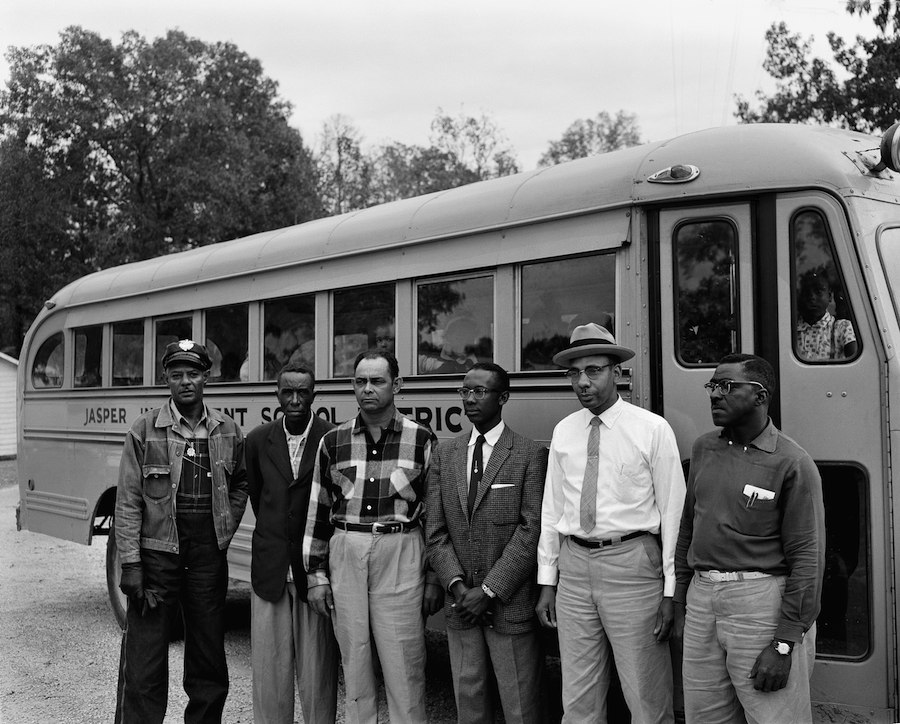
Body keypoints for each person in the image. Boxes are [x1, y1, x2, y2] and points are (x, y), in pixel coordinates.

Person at [535, 322, 685, 724]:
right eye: (574, 373)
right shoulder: (564, 431)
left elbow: (674, 514)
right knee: (579, 696)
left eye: (593, 371)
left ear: (617, 373)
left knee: (646, 694)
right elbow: (553, 510)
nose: (582, 382)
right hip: (575, 569)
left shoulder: (651, 429)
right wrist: (548, 581)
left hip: (632, 566)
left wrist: (671, 591)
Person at [673, 353, 825, 724]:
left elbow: (808, 558)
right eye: (712, 385)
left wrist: (785, 642)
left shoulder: (792, 462)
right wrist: (680, 600)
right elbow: (688, 526)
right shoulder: (703, 448)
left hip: (760, 604)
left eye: (726, 386)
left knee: (773, 716)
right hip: (702, 598)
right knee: (704, 717)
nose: (714, 394)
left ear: (760, 396)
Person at [303, 349, 444, 724]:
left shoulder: (422, 439)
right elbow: (318, 511)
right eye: (360, 381)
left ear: (396, 385)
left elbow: (435, 515)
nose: (368, 389)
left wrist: (434, 577)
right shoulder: (332, 441)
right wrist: (315, 576)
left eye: (377, 381)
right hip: (346, 549)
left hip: (401, 551)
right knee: (355, 658)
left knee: (405, 659)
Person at [114, 340, 248, 724]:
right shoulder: (144, 430)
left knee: (208, 654)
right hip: (157, 554)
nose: (185, 382)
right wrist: (131, 564)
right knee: (145, 659)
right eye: (176, 375)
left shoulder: (227, 429)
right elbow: (127, 501)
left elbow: (240, 483)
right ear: (166, 380)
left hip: (207, 555)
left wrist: (224, 525)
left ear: (206, 377)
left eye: (192, 374)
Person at [426, 362, 548, 724]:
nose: (470, 399)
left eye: (480, 391)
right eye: (465, 391)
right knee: (469, 699)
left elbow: (531, 530)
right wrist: (459, 587)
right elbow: (435, 529)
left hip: (509, 606)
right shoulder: (445, 455)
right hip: (461, 605)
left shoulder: (528, 454)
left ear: (503, 397)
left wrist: (490, 590)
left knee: (521, 705)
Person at [246, 362, 339, 724]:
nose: (296, 399)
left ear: (315, 395)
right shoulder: (257, 439)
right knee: (269, 671)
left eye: (303, 392)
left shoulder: (332, 438)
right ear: (277, 394)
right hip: (270, 570)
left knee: (318, 671)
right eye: (288, 392)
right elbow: (258, 495)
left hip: (314, 574)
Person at [796, 271, 857, 360]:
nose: (812, 297)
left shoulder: (842, 327)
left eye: (818, 291)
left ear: (829, 297)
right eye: (806, 292)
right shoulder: (791, 329)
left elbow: (856, 361)